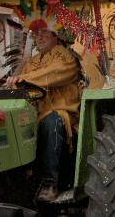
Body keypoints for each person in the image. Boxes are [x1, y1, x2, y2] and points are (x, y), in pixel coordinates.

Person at [6, 19, 83, 202]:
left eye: (43, 33)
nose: (38, 37)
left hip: (61, 111)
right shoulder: (32, 61)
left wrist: (22, 78)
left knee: (52, 121)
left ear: (55, 36)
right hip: (35, 113)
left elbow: (53, 74)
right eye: (36, 34)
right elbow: (21, 84)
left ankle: (50, 183)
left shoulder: (65, 56)